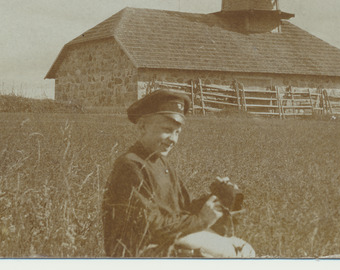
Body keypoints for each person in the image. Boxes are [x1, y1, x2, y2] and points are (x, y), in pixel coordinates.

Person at [102, 87, 255, 258]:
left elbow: (183, 210)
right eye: (167, 130)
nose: (173, 139)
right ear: (143, 127)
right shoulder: (130, 166)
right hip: (139, 252)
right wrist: (202, 220)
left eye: (177, 132)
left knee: (244, 248)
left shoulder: (160, 161)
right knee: (236, 253)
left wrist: (219, 200)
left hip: (164, 241)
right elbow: (149, 227)